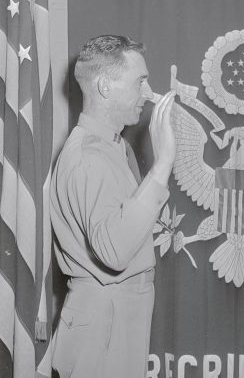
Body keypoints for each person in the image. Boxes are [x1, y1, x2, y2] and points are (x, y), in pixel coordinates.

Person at [50, 35, 176, 377]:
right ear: (105, 86)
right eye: (140, 81)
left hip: (117, 312)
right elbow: (113, 252)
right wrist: (163, 163)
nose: (149, 93)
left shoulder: (113, 147)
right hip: (106, 317)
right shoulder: (90, 156)